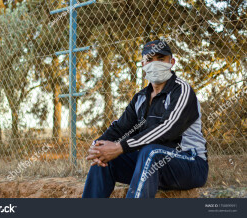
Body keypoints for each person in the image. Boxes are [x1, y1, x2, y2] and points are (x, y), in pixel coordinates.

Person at [82, 39, 208, 198]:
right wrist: (97, 146)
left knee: (151, 152)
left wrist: (120, 147)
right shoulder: (141, 97)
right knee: (107, 157)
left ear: (172, 62)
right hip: (152, 168)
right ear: (142, 64)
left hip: (190, 163)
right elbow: (120, 127)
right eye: (149, 59)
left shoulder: (182, 90)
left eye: (161, 59)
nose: (155, 64)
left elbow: (167, 129)